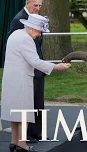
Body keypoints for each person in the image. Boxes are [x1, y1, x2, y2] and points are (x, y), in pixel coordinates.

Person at [1, 14, 70, 152]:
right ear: (33, 28)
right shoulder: (26, 39)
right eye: (39, 31)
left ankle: (14, 142)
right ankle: (22, 144)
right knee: (25, 112)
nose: (39, 35)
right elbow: (35, 61)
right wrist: (56, 66)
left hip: (10, 78)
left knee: (16, 112)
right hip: (21, 80)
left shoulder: (15, 34)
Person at [7, 0, 45, 142]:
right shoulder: (19, 20)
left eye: (40, 5)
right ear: (27, 3)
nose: (37, 8)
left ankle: (35, 134)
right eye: (35, 5)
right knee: (28, 103)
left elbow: (38, 43)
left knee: (37, 102)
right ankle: (26, 137)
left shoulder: (36, 19)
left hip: (37, 65)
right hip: (27, 67)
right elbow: (14, 45)